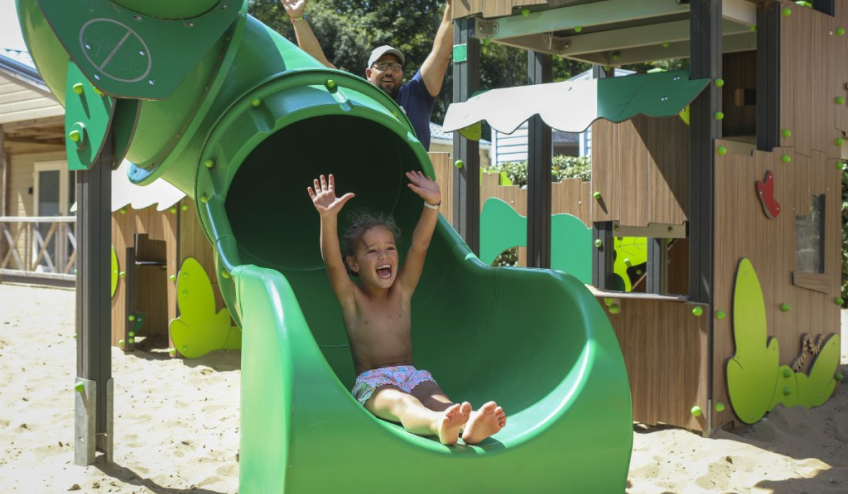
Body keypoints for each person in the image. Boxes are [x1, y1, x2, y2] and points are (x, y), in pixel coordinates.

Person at [307, 172, 506, 445]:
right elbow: (332, 262)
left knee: (438, 400)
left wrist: (432, 205)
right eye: (372, 251)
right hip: (374, 384)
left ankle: (469, 425)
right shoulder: (352, 299)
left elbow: (419, 246)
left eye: (390, 248)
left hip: (411, 374)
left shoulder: (402, 291)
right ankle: (438, 425)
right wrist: (327, 218)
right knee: (404, 404)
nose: (384, 255)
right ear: (353, 264)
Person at [281, 0, 454, 149]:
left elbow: (440, 54)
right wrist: (298, 18)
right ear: (369, 73)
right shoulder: (357, 97)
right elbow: (319, 65)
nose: (389, 71)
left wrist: (452, 6)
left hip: (415, 178)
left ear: (402, 73)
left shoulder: (417, 95)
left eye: (395, 67)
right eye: (382, 66)